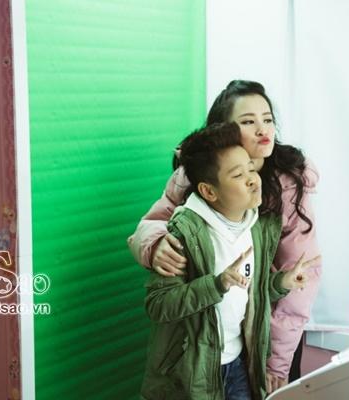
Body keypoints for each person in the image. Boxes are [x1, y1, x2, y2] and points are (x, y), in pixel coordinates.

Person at [129, 80, 321, 393]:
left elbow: (296, 279)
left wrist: (275, 362)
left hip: (271, 337)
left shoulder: (287, 184)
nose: (263, 129)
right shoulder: (194, 177)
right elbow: (153, 223)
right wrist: (155, 244)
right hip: (205, 346)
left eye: (267, 119)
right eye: (248, 122)